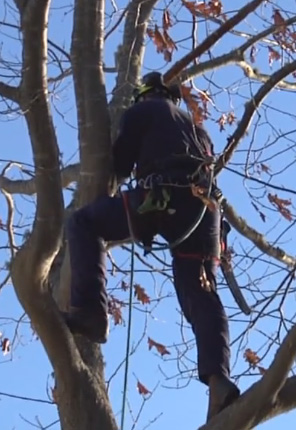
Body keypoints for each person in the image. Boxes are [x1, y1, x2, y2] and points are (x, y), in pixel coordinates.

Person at [61, 71, 240, 421]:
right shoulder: (197, 129)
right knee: (200, 292)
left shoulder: (143, 111)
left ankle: (92, 312)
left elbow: (120, 165)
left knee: (83, 222)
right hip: (204, 211)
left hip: (159, 197)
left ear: (144, 95)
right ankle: (219, 381)